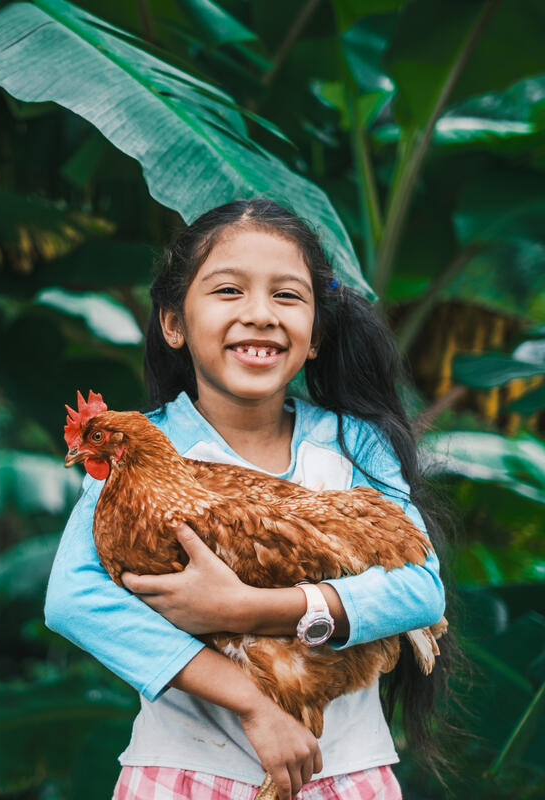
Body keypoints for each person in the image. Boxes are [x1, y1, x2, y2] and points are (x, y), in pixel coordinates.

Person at [45, 199, 449, 800]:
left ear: (316, 334)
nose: (259, 314)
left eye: (287, 296)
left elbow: (420, 590)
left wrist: (246, 609)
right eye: (228, 291)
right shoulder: (139, 447)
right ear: (174, 322)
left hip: (346, 774)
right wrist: (255, 706)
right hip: (184, 772)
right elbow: (74, 601)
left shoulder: (353, 443)